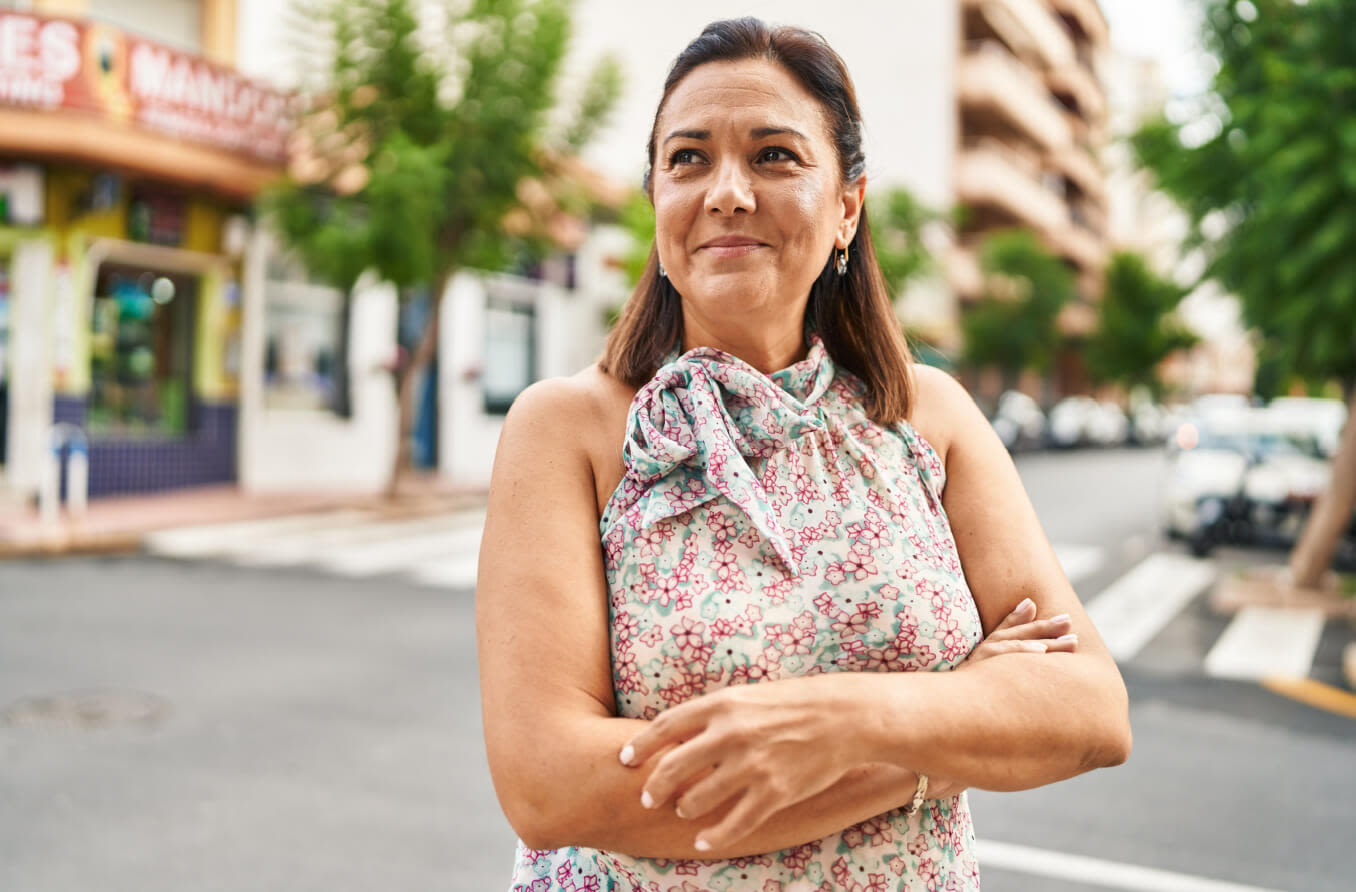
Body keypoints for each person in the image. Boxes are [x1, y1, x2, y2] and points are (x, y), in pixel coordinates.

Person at [477, 18, 1131, 891]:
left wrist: (845, 720)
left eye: (775, 156)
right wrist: (938, 745)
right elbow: (550, 784)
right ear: (656, 204)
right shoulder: (568, 428)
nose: (727, 193)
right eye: (688, 159)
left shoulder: (925, 415)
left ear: (847, 207)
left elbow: (1089, 709)